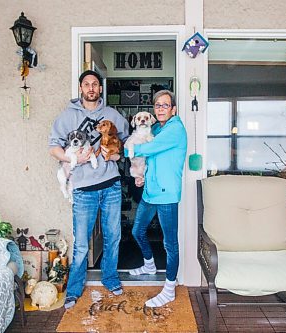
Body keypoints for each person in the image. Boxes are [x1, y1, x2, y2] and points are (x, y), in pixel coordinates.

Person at [49, 70, 129, 309]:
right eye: (87, 84)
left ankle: (110, 278)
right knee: (82, 243)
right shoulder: (66, 117)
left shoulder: (112, 115)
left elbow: (126, 144)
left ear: (100, 89)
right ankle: (74, 289)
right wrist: (77, 160)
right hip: (83, 188)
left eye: (95, 84)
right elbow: (53, 148)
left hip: (111, 185)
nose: (91, 88)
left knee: (113, 236)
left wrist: (117, 153)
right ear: (81, 88)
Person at [124, 90, 187, 307]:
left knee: (170, 244)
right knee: (137, 230)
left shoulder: (175, 129)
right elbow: (154, 160)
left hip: (167, 194)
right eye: (157, 105)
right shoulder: (157, 128)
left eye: (165, 105)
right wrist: (142, 176)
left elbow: (149, 149)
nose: (161, 108)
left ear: (173, 109)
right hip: (151, 191)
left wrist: (126, 149)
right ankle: (149, 265)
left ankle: (169, 289)